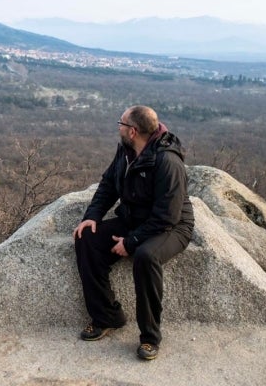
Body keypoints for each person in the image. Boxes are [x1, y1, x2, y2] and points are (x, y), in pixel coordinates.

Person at [73, 105, 194, 360]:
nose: (118, 127)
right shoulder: (127, 152)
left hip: (171, 227)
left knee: (146, 256)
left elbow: (167, 216)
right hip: (135, 218)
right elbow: (108, 185)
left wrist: (132, 241)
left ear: (132, 131)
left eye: (121, 123)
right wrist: (92, 216)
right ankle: (107, 316)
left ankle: (150, 337)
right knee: (87, 239)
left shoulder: (167, 160)